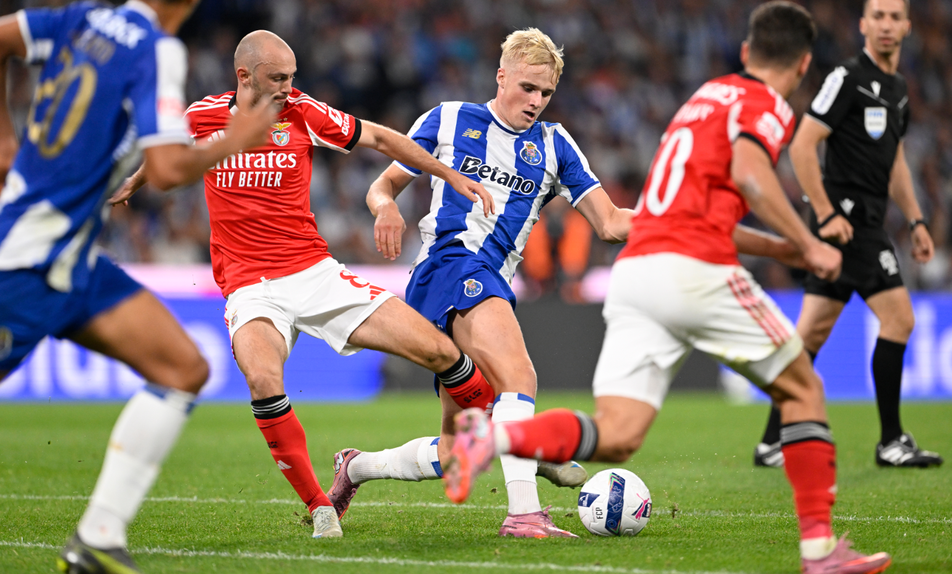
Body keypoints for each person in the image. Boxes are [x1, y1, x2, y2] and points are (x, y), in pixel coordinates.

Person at [444, 3, 893, 573]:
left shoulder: (704, 100)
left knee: (616, 435)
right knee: (803, 389)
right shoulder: (765, 103)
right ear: (804, 65)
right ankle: (820, 553)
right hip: (696, 270)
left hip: (637, 273)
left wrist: (783, 250)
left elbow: (683, 213)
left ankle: (492, 439)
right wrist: (808, 241)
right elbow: (751, 174)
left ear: (746, 52)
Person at [112, 29, 504, 540]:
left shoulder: (302, 112)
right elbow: (168, 154)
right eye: (278, 78)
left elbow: (381, 139)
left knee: (441, 352)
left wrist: (447, 174)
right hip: (250, 287)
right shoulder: (202, 116)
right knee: (263, 381)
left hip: (315, 274)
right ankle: (321, 506)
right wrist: (134, 180)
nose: (288, 87)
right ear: (244, 76)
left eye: (292, 77)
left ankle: (512, 441)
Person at [0, 1, 276, 573]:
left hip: (75, 262)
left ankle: (97, 539)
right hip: (25, 264)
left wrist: (5, 139)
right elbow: (168, 169)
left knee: (182, 368)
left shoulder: (77, 19)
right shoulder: (157, 50)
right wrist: (236, 138)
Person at [332, 27, 637, 540]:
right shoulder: (449, 118)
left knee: (457, 450)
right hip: (449, 265)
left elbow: (609, 223)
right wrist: (385, 208)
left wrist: (676, 221)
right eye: (527, 88)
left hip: (483, 279)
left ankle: (355, 467)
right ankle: (524, 513)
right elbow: (383, 184)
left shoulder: (555, 144)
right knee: (520, 378)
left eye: (545, 93)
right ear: (501, 76)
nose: (535, 101)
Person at [753, 0, 942, 470]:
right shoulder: (847, 77)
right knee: (899, 319)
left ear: (907, 26)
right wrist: (825, 212)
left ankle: (771, 440)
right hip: (848, 224)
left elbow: (895, 162)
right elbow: (802, 144)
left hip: (865, 223)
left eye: (894, 17)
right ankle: (891, 440)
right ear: (863, 25)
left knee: (812, 332)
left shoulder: (898, 89)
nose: (886, 25)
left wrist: (916, 220)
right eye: (877, 16)